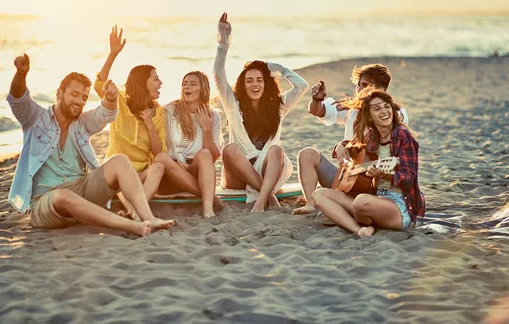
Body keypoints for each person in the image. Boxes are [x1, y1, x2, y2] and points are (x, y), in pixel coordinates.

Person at [6, 53, 174, 236]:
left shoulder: (82, 123)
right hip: (44, 202)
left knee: (119, 160)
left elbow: (105, 114)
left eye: (84, 98)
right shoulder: (34, 118)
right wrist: (21, 74)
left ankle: (148, 217)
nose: (79, 101)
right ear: (59, 93)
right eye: (75, 94)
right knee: (63, 196)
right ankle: (131, 226)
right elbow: (18, 98)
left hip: (81, 190)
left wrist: (110, 98)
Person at [95, 27, 219, 218]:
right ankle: (138, 211)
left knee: (169, 162)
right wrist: (112, 54)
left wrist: (150, 125)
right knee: (158, 164)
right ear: (143, 83)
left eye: (193, 84)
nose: (161, 83)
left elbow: (158, 151)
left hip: (149, 175)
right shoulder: (122, 102)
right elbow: (99, 83)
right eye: (156, 79)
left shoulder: (159, 112)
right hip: (123, 173)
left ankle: (137, 212)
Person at [214, 12, 309, 212]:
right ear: (243, 84)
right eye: (249, 80)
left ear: (266, 83)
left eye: (259, 80)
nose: (255, 84)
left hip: (268, 172)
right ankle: (269, 197)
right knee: (230, 148)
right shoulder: (233, 103)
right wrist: (223, 44)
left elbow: (302, 86)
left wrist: (280, 69)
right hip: (238, 176)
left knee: (277, 150)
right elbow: (218, 73)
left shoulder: (279, 105)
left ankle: (260, 201)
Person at [293, 64, 409, 214]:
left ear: (381, 89)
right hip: (347, 181)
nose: (359, 90)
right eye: (358, 85)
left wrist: (343, 144)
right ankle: (310, 203)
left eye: (365, 85)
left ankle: (328, 198)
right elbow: (318, 111)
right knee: (307, 154)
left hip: (375, 186)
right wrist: (317, 99)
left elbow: (377, 137)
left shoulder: (397, 112)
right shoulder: (352, 110)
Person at [311, 90, 424, 237]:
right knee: (319, 194)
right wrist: (340, 146)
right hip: (375, 199)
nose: (384, 111)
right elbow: (353, 145)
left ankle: (365, 222)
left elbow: (409, 177)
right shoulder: (373, 135)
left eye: (386, 106)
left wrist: (386, 175)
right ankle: (359, 229)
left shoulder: (403, 135)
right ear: (369, 116)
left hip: (400, 205)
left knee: (360, 202)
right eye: (377, 109)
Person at [163, 71, 223, 218]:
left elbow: (213, 157)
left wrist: (207, 129)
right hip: (171, 172)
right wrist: (175, 164)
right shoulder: (169, 111)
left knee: (204, 154)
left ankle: (208, 210)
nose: (186, 87)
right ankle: (212, 198)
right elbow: (160, 145)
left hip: (195, 172)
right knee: (162, 159)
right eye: (184, 84)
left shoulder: (213, 116)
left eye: (193, 84)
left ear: (203, 89)